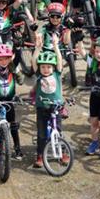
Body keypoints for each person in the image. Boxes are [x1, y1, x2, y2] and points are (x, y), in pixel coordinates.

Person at [31, 34, 64, 169]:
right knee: (42, 134)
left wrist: (56, 46)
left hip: (56, 107)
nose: (46, 69)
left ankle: (62, 152)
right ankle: (40, 155)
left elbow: (60, 60)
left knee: (59, 131)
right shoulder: (39, 76)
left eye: (49, 67)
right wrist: (38, 48)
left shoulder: (56, 74)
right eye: (43, 67)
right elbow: (33, 61)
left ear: (53, 68)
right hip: (42, 108)